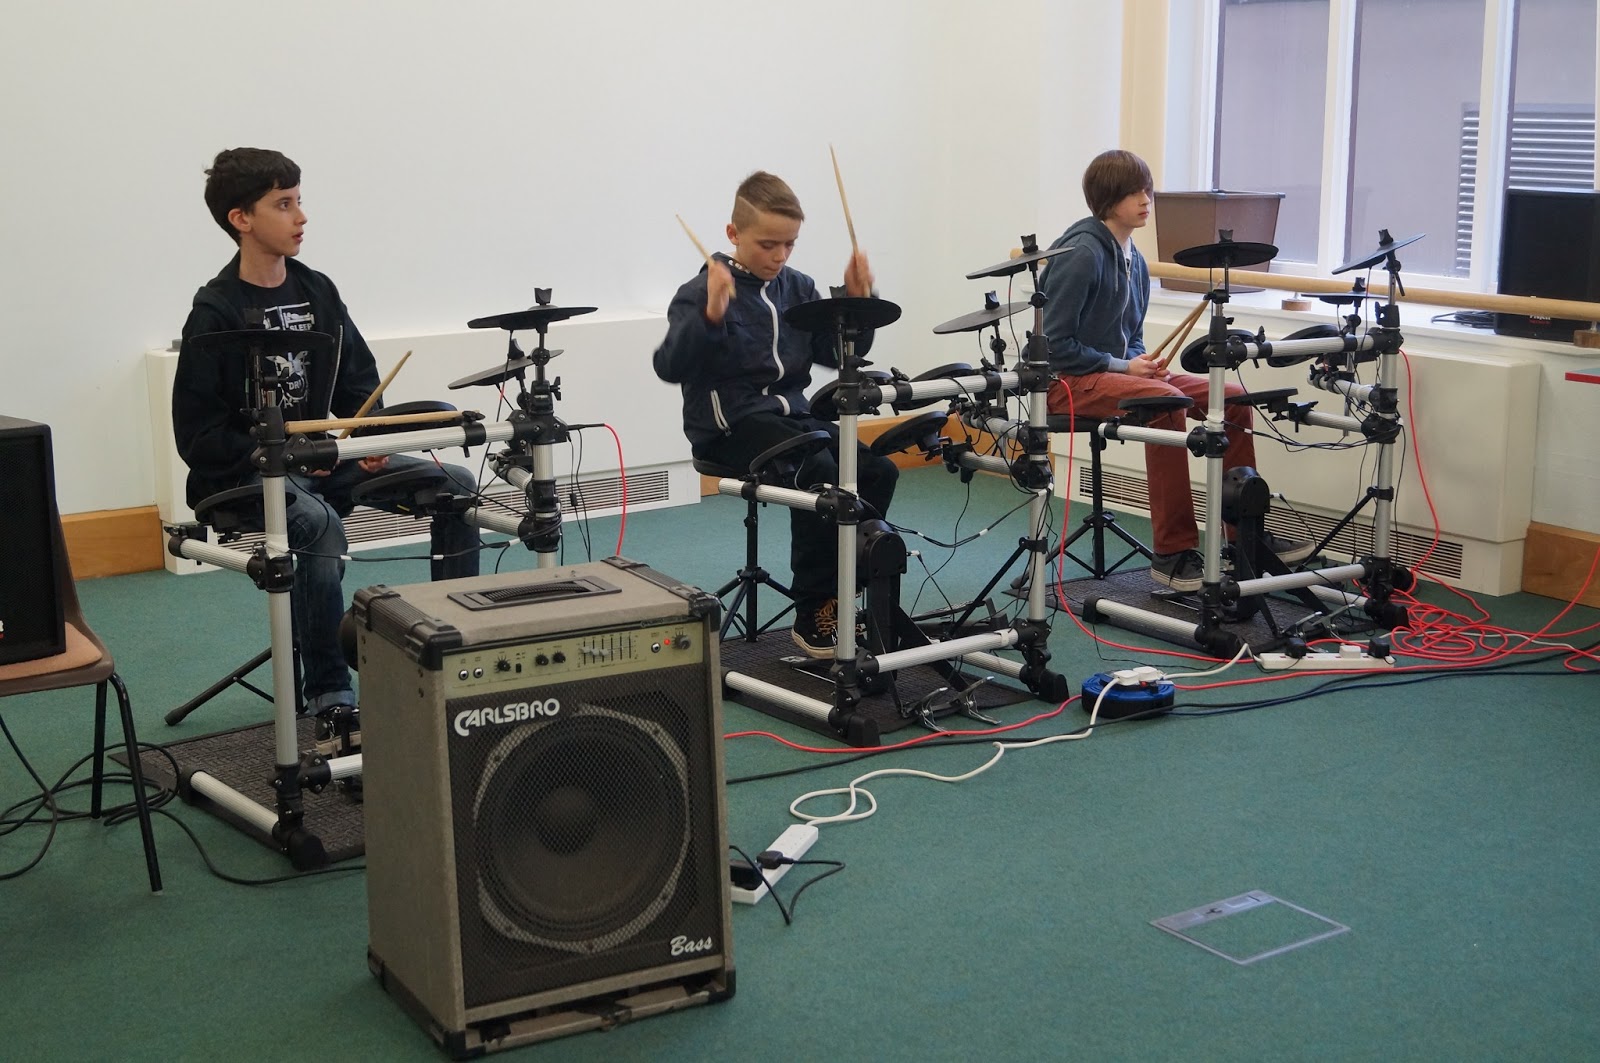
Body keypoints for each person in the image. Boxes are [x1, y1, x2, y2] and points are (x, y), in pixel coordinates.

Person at [173, 147, 481, 728]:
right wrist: (282, 454)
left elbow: (359, 385)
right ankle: (330, 694)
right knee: (316, 523)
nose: (301, 216)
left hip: (321, 461)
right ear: (241, 219)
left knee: (457, 486)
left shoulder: (317, 292)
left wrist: (368, 438)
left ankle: (455, 655)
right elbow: (197, 436)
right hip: (245, 476)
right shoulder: (215, 312)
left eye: (299, 201)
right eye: (283, 204)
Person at [1040, 149, 1311, 592]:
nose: (1145, 200)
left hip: (1111, 375)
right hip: (1065, 383)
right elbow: (1054, 347)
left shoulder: (1135, 260)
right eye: (1132, 192)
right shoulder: (1082, 253)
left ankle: (1245, 538)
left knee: (1232, 398)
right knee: (1164, 401)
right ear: (1106, 198)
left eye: (1146, 190)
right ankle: (1172, 552)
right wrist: (1126, 367)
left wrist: (1143, 365)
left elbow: (1131, 337)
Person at [653, 171, 898, 658]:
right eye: (768, 245)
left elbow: (837, 354)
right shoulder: (700, 290)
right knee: (819, 471)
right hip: (729, 427)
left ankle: (842, 592)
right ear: (733, 233)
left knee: (877, 470)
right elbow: (669, 366)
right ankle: (814, 610)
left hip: (792, 419)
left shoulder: (799, 287)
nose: (780, 256)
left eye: (789, 244)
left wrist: (858, 303)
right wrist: (711, 315)